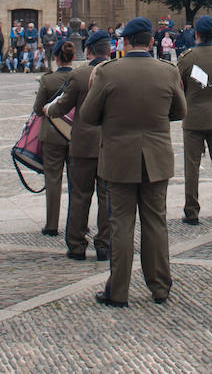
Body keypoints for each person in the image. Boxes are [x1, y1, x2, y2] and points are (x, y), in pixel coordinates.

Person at [80, 17, 185, 307]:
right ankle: (160, 287)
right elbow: (180, 110)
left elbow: (88, 116)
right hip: (156, 156)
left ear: (124, 42)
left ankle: (119, 290)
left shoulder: (109, 72)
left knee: (121, 225)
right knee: (155, 223)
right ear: (151, 42)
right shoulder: (167, 71)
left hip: (119, 157)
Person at [47, 29, 113, 261]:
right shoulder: (116, 73)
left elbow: (61, 107)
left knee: (80, 195)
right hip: (108, 145)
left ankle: (76, 245)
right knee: (107, 196)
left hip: (83, 145)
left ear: (88, 50)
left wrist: (48, 109)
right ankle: (104, 243)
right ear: (110, 50)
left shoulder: (79, 75)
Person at [177, 16, 212, 226]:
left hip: (194, 118)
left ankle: (191, 210)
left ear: (196, 34)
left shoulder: (187, 57)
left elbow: (178, 86)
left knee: (191, 167)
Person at [32, 39, 76, 237]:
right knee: (77, 182)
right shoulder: (81, 77)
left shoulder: (48, 80)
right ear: (73, 57)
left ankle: (51, 224)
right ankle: (76, 223)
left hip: (52, 135)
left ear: (56, 58)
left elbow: (37, 110)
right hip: (75, 135)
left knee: (53, 180)